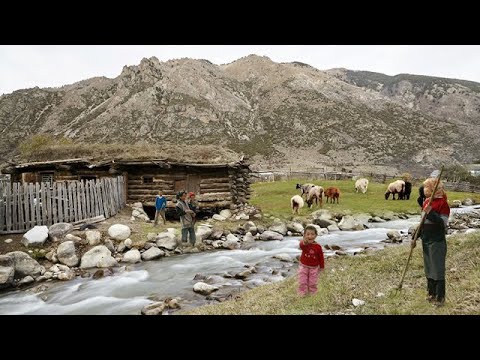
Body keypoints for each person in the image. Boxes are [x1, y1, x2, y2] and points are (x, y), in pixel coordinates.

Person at [414, 178, 450, 306]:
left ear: (432, 189)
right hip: (426, 239)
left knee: (437, 269)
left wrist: (430, 212)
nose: (423, 190)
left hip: (437, 240)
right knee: (429, 268)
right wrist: (416, 235)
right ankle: (431, 294)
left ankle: (440, 298)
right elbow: (422, 222)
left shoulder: (443, 204)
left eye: (426, 187)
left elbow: (442, 224)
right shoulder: (427, 202)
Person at [298, 225, 325, 297]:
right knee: (302, 281)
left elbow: (321, 257)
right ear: (304, 236)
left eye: (312, 234)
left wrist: (322, 267)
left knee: (313, 282)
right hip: (303, 266)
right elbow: (301, 245)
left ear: (316, 235)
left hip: (314, 268)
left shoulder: (318, 246)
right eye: (308, 234)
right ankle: (302, 293)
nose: (310, 236)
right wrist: (304, 241)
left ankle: (313, 294)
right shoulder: (304, 244)